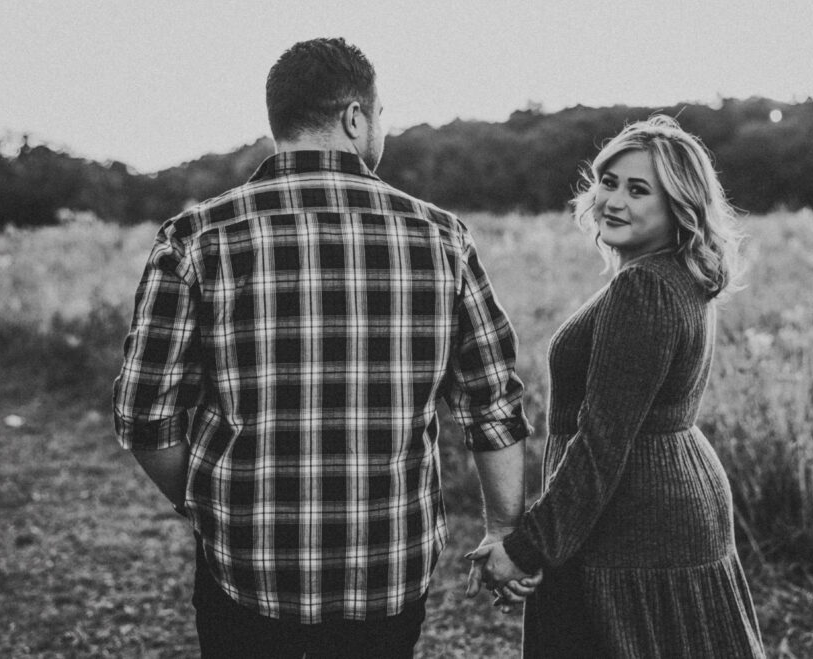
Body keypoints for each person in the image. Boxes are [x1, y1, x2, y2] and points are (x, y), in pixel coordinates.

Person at [112, 38, 532, 658]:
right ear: (355, 117)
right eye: (380, 114)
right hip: (389, 568)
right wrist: (502, 530)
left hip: (246, 562)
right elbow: (491, 406)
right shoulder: (443, 237)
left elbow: (146, 414)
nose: (380, 127)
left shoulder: (195, 237)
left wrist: (202, 504)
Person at [467, 116, 766, 657]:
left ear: (679, 205)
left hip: (637, 522)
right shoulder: (674, 274)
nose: (614, 200)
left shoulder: (645, 287)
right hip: (658, 503)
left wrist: (528, 546)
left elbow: (603, 442)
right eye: (609, 181)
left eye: (639, 189)